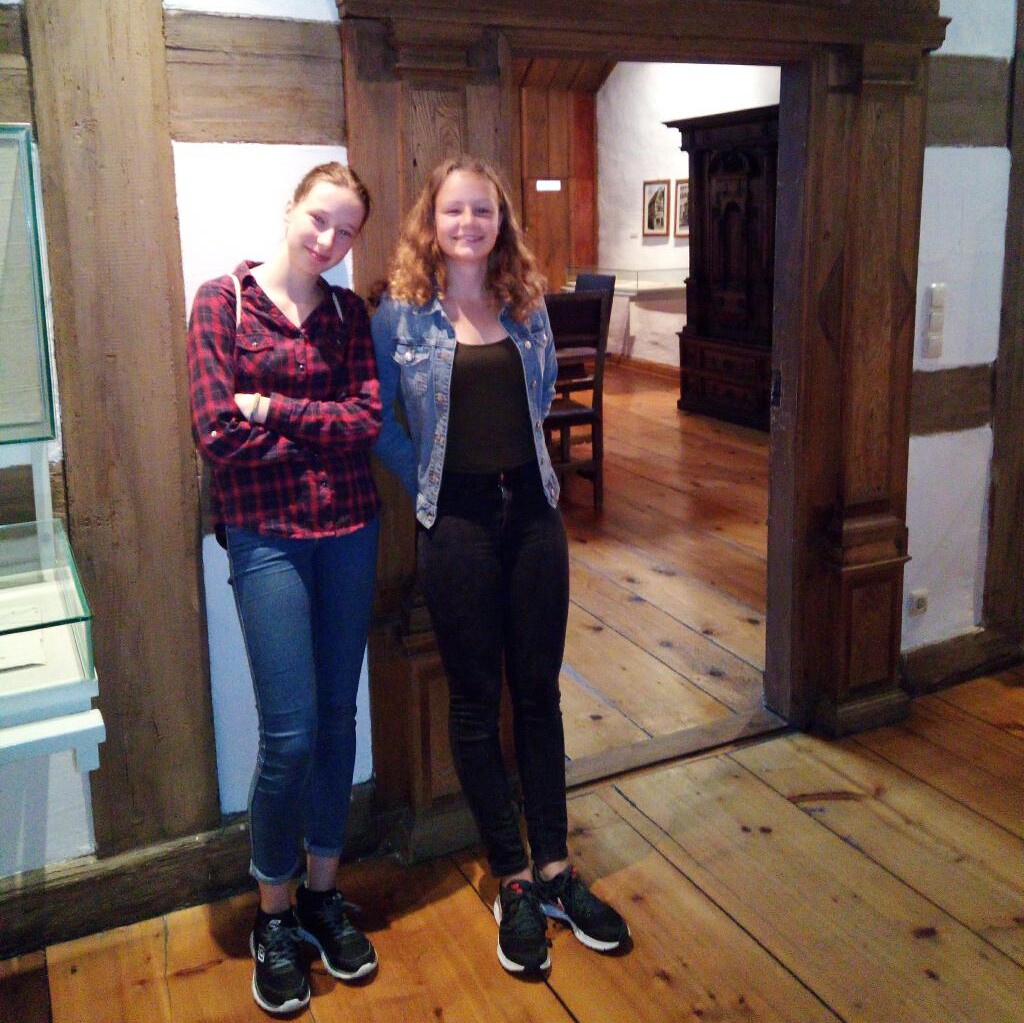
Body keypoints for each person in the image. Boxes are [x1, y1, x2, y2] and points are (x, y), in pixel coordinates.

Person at [371, 154, 629, 974]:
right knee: (478, 701)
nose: (468, 224)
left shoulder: (526, 302)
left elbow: (543, 394)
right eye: (454, 210)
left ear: (501, 220)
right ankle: (511, 877)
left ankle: (555, 867)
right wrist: (429, 483)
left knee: (540, 694)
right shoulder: (400, 314)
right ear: (432, 219)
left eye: (482, 210)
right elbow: (380, 419)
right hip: (457, 524)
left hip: (534, 517)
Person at [186, 162, 382, 1015]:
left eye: (346, 231)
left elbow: (366, 422)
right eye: (319, 220)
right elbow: (215, 432)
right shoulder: (221, 302)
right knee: (292, 734)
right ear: (291, 208)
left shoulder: (349, 314)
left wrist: (270, 408)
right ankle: (272, 913)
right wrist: (312, 430)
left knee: (338, 719)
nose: (329, 241)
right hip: (266, 535)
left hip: (350, 531)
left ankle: (322, 896)